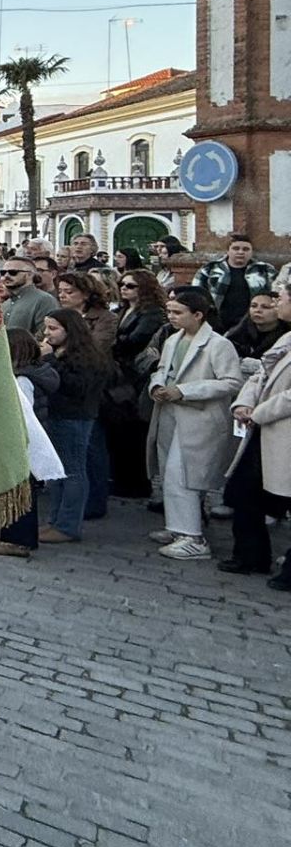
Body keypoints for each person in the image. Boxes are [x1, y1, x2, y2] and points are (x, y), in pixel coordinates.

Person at [146, 287, 243, 560]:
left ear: (198, 315)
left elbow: (231, 382)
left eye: (178, 312)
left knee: (183, 474)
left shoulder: (218, 345)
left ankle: (193, 537)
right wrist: (157, 386)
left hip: (200, 419)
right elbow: (163, 369)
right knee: (169, 472)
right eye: (169, 312)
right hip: (170, 414)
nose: (172, 317)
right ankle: (178, 527)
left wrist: (186, 391)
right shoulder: (172, 340)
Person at [224, 282, 291, 588]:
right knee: (243, 492)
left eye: (281, 299)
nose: (276, 304)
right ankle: (251, 555)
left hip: (280, 429)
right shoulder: (286, 338)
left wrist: (260, 412)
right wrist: (244, 402)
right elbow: (262, 374)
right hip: (264, 430)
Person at [0, 329, 62, 557]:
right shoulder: (32, 373)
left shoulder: (23, 380)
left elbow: (21, 413)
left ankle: (17, 540)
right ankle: (13, 534)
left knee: (20, 491)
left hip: (22, 443)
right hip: (24, 442)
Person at [35, 308, 109, 545]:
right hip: (57, 415)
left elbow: (74, 386)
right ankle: (55, 520)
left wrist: (49, 360)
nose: (48, 333)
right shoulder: (61, 353)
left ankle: (68, 525)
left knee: (72, 471)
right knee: (57, 472)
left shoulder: (85, 357)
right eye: (47, 328)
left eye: (53, 328)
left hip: (74, 418)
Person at [104, 269, 168, 500]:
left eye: (130, 286)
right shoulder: (122, 310)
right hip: (119, 373)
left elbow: (136, 340)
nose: (124, 288)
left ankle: (137, 483)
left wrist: (114, 342)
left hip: (137, 375)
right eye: (122, 284)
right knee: (120, 429)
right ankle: (121, 479)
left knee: (134, 430)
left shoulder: (152, 313)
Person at [192, 233, 276, 333]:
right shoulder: (209, 269)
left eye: (246, 249)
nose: (241, 252)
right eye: (236, 248)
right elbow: (195, 294)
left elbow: (276, 295)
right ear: (228, 251)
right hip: (217, 323)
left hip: (251, 324)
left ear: (251, 252)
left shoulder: (265, 270)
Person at [0, 255, 56, 336]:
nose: (6, 276)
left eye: (13, 272)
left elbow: (46, 335)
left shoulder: (44, 300)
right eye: (3, 273)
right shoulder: (5, 303)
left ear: (29, 275)